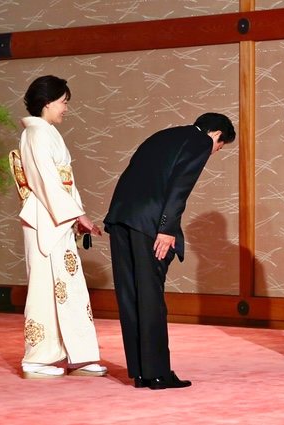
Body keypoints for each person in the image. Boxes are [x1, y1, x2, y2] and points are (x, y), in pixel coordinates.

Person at [104, 113, 235, 389]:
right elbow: (180, 188)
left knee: (130, 297)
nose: (214, 152)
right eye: (220, 147)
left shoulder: (161, 136)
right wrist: (166, 229)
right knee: (150, 297)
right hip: (149, 225)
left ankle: (140, 373)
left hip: (120, 218)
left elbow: (132, 175)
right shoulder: (200, 141)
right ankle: (158, 374)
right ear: (215, 135)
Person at [17, 75, 107, 379]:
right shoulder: (37, 135)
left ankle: (78, 354)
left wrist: (76, 214)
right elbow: (47, 182)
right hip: (45, 218)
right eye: (63, 102)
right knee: (45, 289)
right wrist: (77, 215)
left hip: (58, 217)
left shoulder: (47, 133)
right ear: (47, 102)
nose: (65, 108)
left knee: (69, 288)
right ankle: (37, 358)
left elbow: (64, 182)